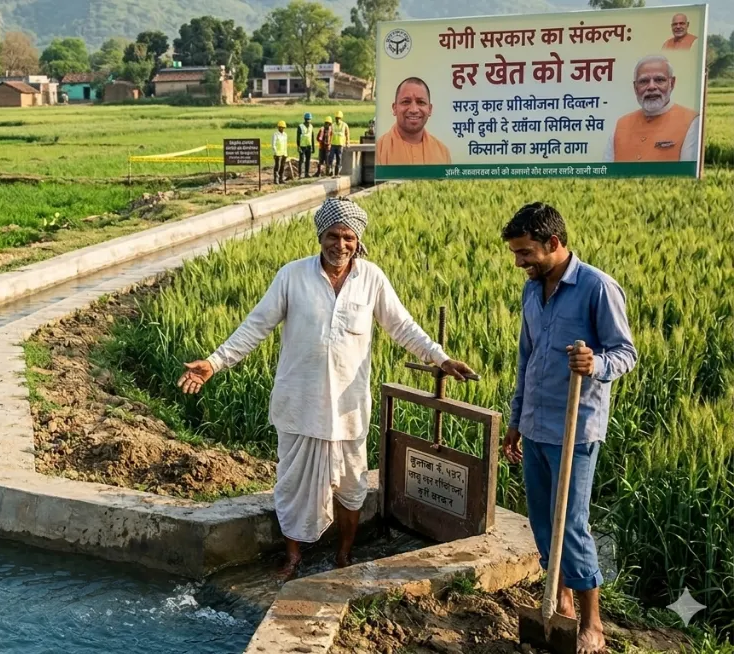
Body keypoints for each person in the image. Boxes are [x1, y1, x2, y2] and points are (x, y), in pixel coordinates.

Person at [178, 198, 476, 578]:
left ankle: (344, 557)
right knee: (292, 487)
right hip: (299, 407)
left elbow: (403, 326)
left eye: (348, 237)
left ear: (358, 240)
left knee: (351, 489)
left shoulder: (371, 279)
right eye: (333, 235)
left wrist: (440, 358)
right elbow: (256, 326)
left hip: (347, 412)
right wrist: (214, 362)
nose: (341, 244)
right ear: (320, 236)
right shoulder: (292, 276)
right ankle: (293, 557)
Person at [501, 202, 637, 654]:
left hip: (575, 431)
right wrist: (516, 420)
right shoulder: (531, 291)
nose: (519, 263)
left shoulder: (597, 288)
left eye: (525, 253)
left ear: (553, 244)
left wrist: (596, 363)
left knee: (572, 524)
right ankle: (557, 599)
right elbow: (527, 359)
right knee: (542, 522)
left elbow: (625, 353)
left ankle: (592, 623)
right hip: (536, 424)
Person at [604, 55, 699, 163]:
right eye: (644, 81)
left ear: (671, 83)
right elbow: (606, 171)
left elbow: (687, 175)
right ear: (635, 88)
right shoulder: (621, 124)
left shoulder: (691, 121)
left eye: (659, 80)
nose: (651, 87)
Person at [376, 77, 450, 165]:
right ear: (394, 108)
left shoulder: (442, 152)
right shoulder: (379, 149)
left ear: (429, 109)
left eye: (421, 102)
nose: (414, 110)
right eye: (406, 102)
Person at [329, 111, 351, 176]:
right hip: (333, 144)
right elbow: (330, 134)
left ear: (341, 118)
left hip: (340, 144)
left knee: (339, 158)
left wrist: (347, 142)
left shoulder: (344, 125)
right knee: (331, 157)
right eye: (336, 118)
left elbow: (347, 134)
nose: (337, 119)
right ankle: (331, 170)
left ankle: (337, 173)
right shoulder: (332, 125)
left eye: (338, 118)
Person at [296, 113, 315, 178]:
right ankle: (300, 174)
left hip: (309, 146)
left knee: (308, 160)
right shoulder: (300, 126)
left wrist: (313, 147)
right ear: (305, 119)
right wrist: (298, 146)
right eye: (307, 119)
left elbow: (312, 137)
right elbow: (298, 137)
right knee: (301, 160)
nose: (308, 121)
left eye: (309, 119)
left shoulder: (311, 126)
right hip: (302, 146)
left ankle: (307, 173)